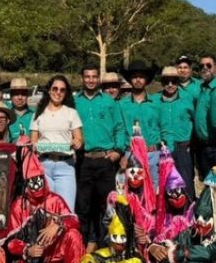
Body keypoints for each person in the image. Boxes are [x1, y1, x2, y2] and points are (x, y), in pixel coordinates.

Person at [3, 149, 85, 263]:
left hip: (56, 259)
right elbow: (11, 241)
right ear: (26, 184)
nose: (37, 185)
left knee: (73, 235)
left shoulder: (55, 199)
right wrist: (27, 249)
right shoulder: (19, 205)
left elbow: (74, 220)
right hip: (32, 261)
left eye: (39, 180)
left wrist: (58, 224)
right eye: (32, 181)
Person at [74, 64, 124, 252]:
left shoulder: (109, 102)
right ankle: (82, 248)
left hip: (105, 160)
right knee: (83, 207)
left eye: (94, 77)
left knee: (107, 207)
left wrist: (118, 151)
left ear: (98, 79)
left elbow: (120, 127)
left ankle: (107, 249)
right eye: (87, 76)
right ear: (82, 78)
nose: (91, 80)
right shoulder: (75, 102)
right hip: (84, 160)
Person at [30, 75, 83, 210]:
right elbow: (33, 141)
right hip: (43, 166)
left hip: (65, 166)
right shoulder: (38, 113)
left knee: (66, 211)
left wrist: (77, 142)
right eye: (55, 88)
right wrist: (34, 146)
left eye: (62, 90)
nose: (58, 92)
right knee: (45, 211)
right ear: (49, 90)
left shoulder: (71, 113)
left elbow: (79, 138)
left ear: (66, 93)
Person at [118, 61, 166, 189]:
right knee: (133, 191)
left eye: (141, 77)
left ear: (146, 79)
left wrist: (166, 153)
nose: (138, 80)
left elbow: (164, 128)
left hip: (153, 154)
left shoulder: (157, 102)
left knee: (155, 190)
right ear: (130, 80)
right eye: (134, 77)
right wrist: (123, 154)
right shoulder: (122, 105)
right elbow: (121, 131)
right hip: (131, 154)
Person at [156, 66, 196, 200]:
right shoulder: (154, 101)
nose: (170, 85)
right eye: (166, 82)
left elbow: (196, 122)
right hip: (163, 149)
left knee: (186, 185)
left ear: (178, 82)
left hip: (183, 148)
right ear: (162, 83)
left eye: (173, 81)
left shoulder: (188, 99)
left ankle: (188, 217)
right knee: (165, 187)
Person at [193, 54, 216, 180]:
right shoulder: (200, 89)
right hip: (202, 147)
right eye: (202, 66)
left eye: (208, 65)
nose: (205, 68)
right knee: (208, 184)